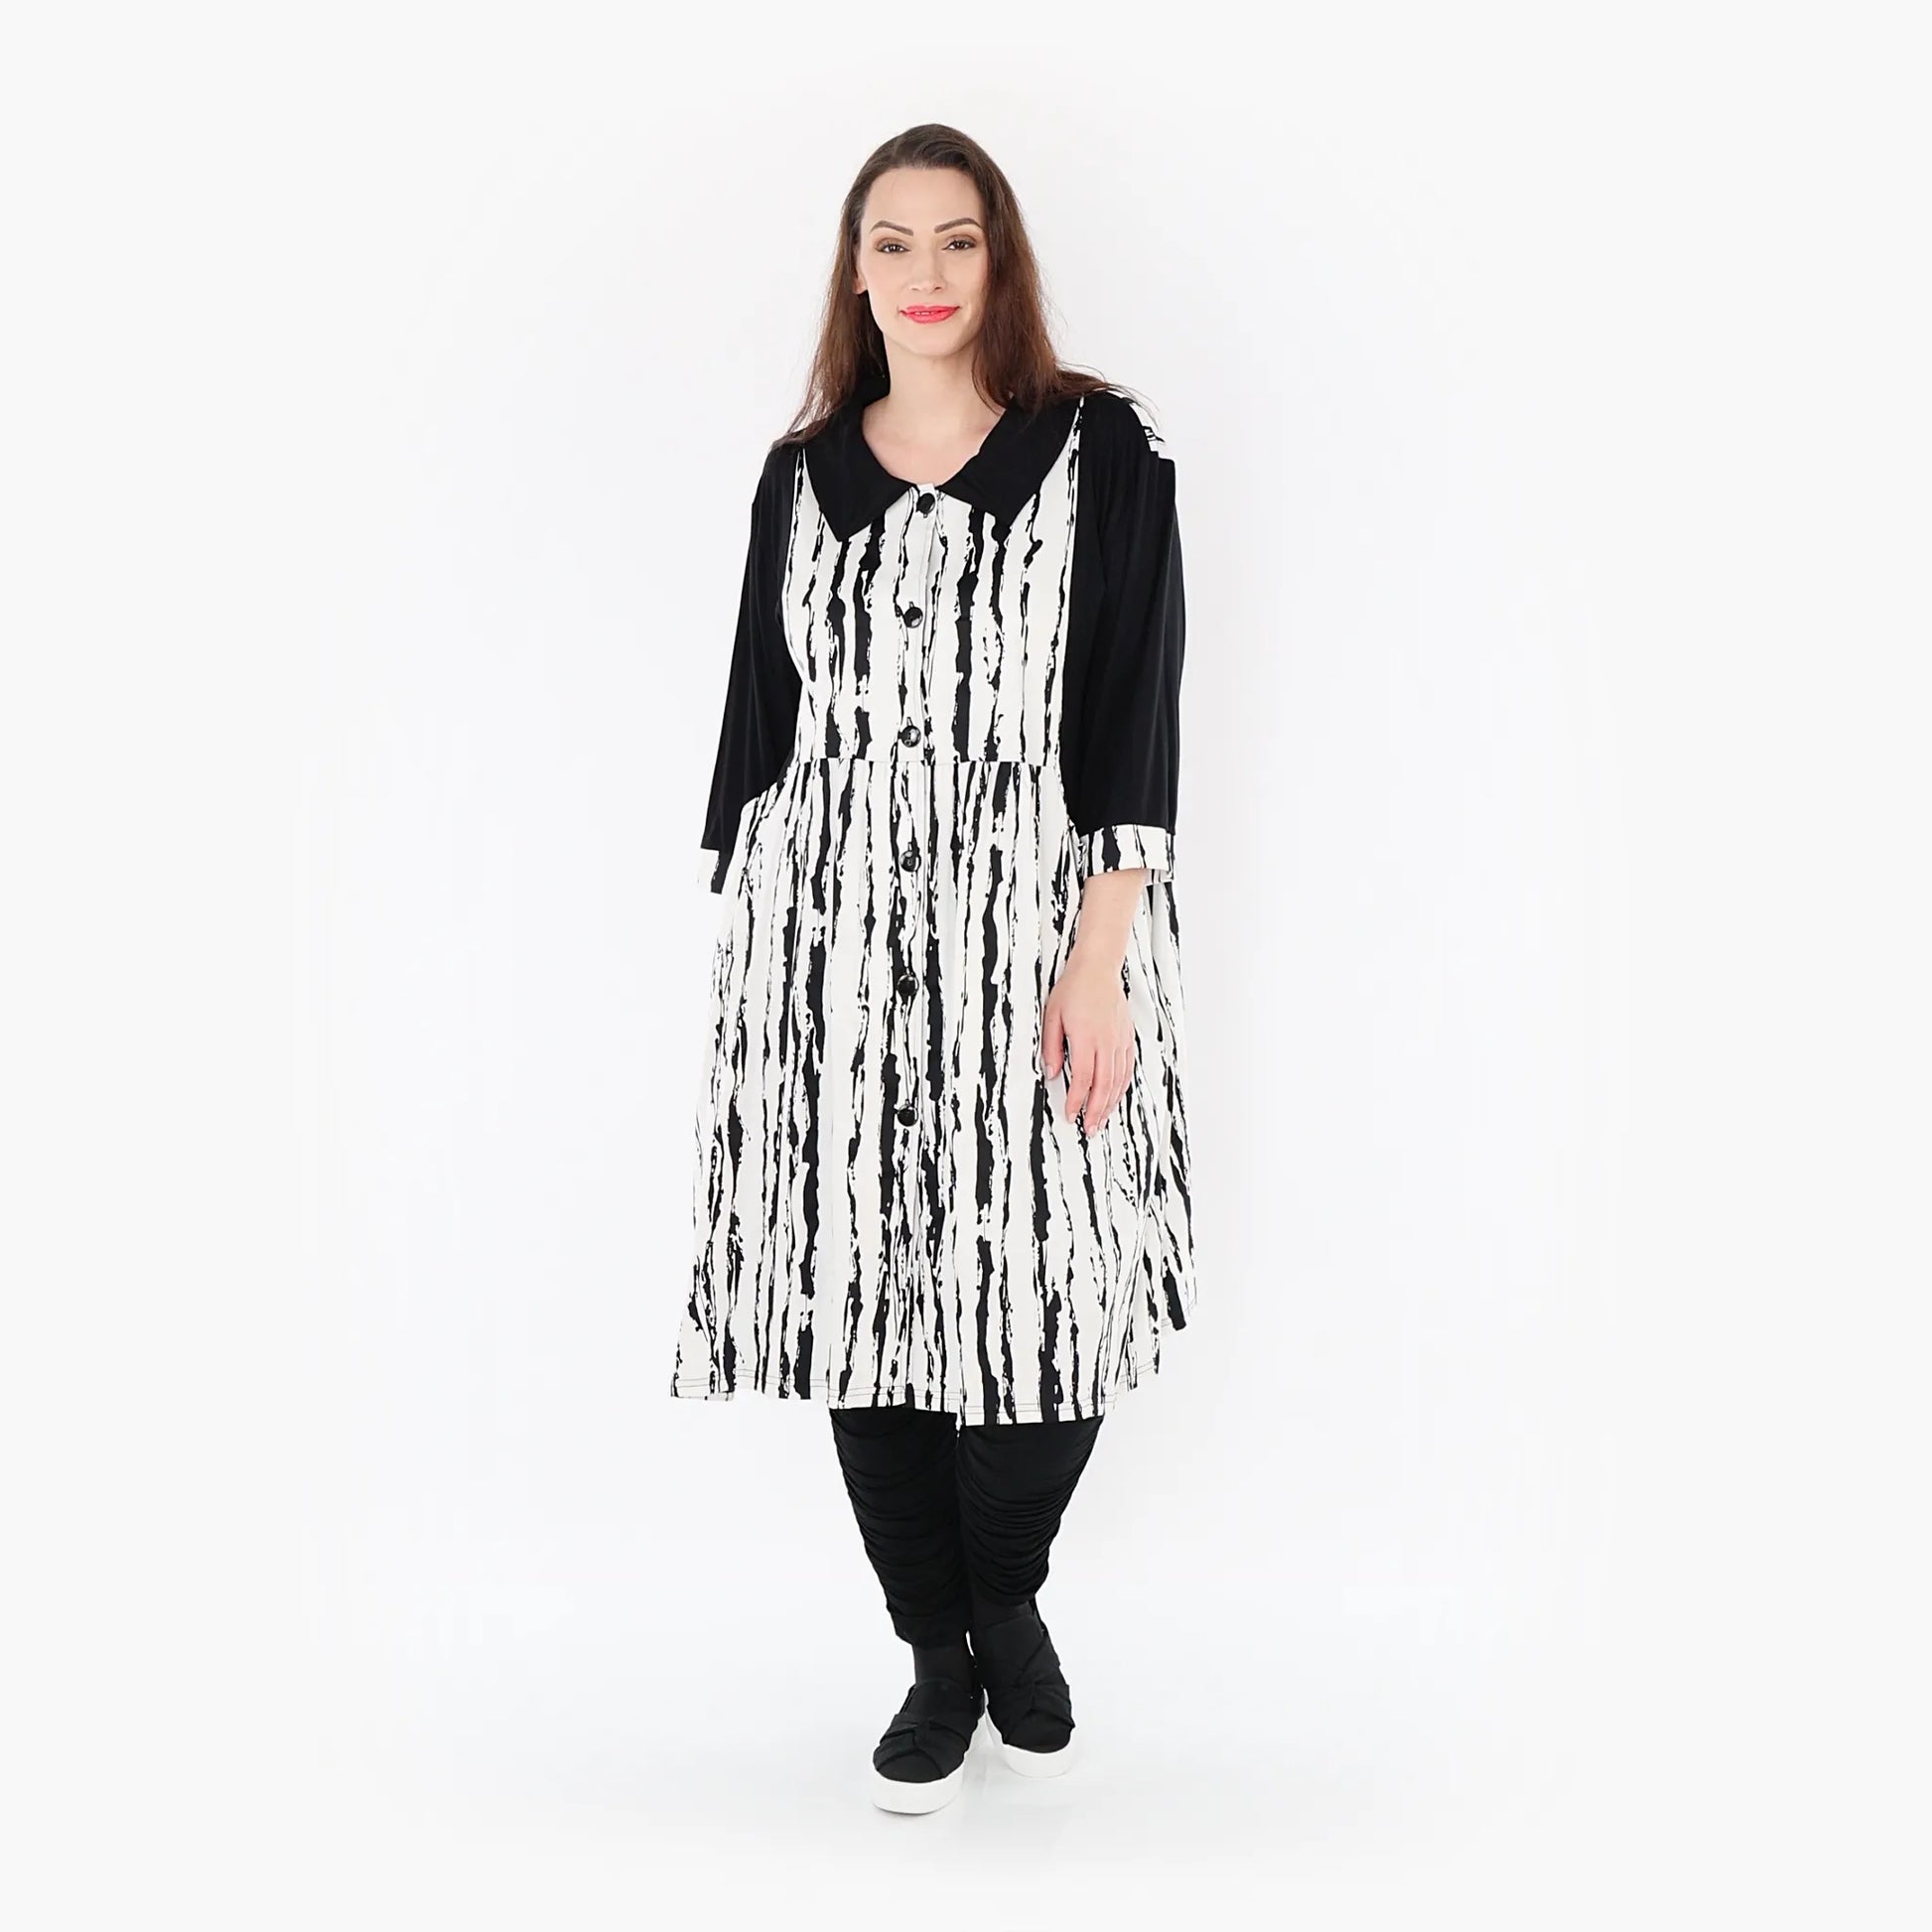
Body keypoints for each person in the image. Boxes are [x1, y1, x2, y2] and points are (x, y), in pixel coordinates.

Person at [669, 123, 1201, 1813]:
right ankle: (933, 1656)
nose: (922, 273)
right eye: (889, 242)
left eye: (954, 240)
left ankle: (1004, 1596)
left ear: (999, 260)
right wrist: (765, 981)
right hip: (823, 947)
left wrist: (1099, 957)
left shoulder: (1096, 453)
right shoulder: (798, 475)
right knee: (866, 1306)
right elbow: (761, 731)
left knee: (1048, 1297)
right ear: (853, 269)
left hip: (1036, 935)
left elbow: (1130, 710)